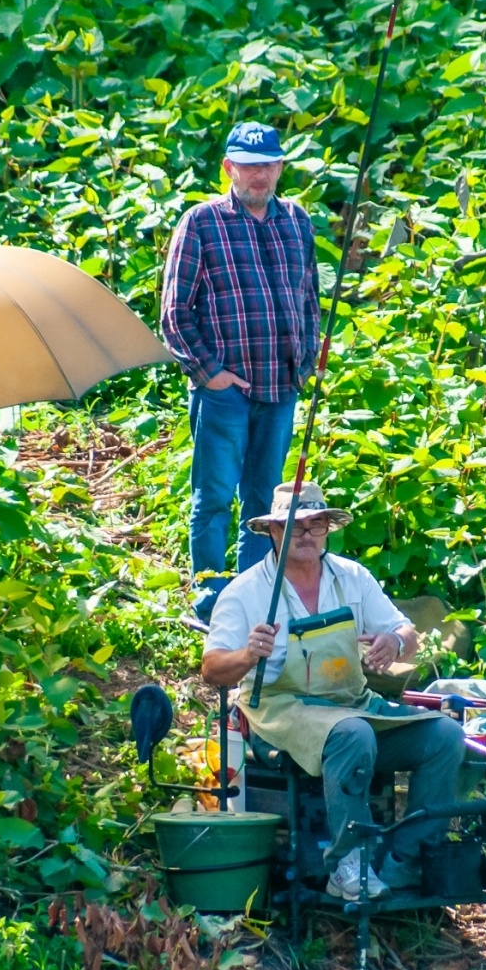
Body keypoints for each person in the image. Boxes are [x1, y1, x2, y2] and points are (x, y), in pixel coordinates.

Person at [201, 482, 467, 902]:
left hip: (353, 704)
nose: (307, 534)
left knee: (445, 736)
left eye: (317, 524)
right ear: (274, 531)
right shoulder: (246, 591)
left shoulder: (352, 577)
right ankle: (348, 864)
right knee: (352, 734)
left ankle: (407, 860)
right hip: (279, 710)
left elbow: (406, 632)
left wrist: (394, 643)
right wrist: (247, 654)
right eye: (296, 525)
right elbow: (212, 669)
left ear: (328, 528)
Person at [161, 121, 320, 620]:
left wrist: (305, 363)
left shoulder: (296, 221)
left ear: (280, 167)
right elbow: (174, 312)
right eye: (249, 166)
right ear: (229, 168)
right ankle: (210, 599)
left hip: (280, 388)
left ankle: (252, 599)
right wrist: (210, 374)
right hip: (224, 391)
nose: (259, 175)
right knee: (213, 496)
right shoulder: (201, 223)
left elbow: (309, 299)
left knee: (265, 503)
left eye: (268, 165)